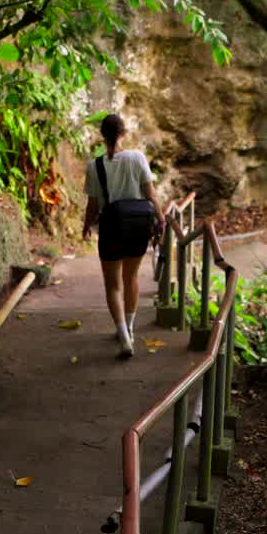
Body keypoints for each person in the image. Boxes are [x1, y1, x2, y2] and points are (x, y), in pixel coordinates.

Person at [82, 114, 166, 358]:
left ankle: (122, 335)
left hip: (111, 226)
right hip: (137, 225)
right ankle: (129, 328)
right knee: (131, 278)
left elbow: (93, 205)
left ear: (102, 136)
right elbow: (151, 194)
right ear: (124, 134)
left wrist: (86, 226)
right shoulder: (137, 157)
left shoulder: (94, 166)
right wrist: (160, 219)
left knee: (113, 284)